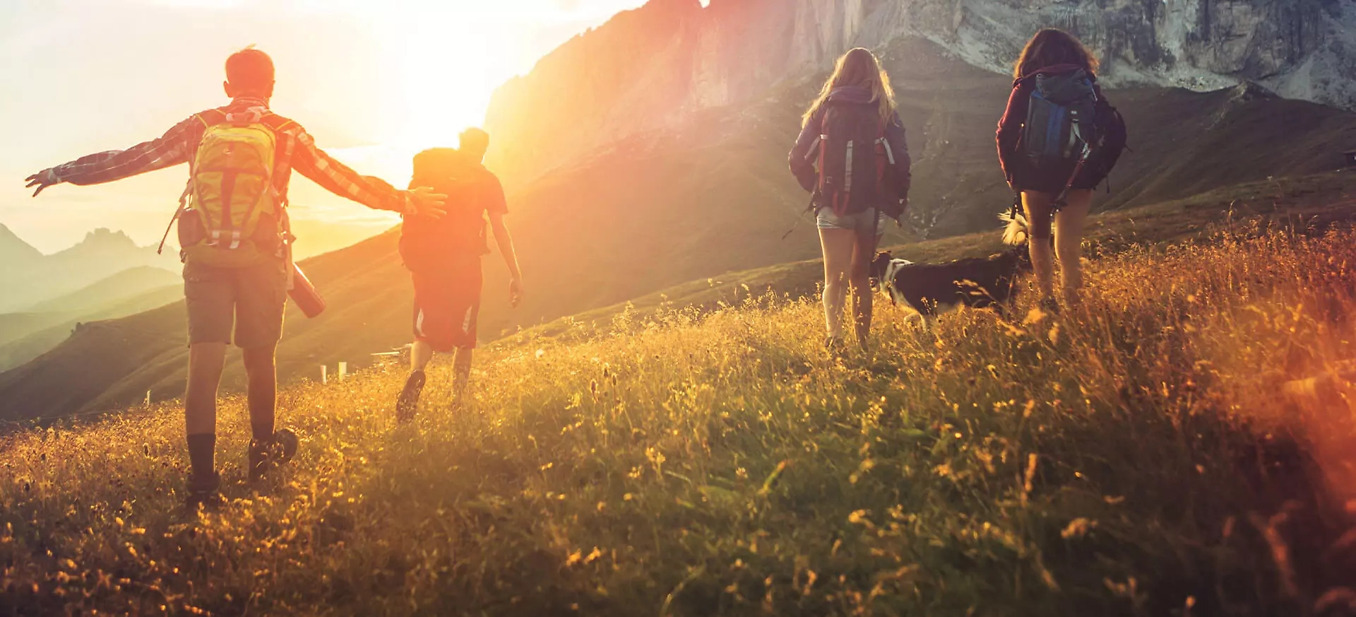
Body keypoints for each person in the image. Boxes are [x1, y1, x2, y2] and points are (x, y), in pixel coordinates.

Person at [23, 48, 447, 506]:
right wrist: (404, 200)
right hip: (262, 259)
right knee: (259, 360)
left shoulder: (200, 126)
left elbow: (131, 159)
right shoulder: (285, 132)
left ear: (227, 87)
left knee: (203, 368)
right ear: (272, 86)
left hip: (205, 258)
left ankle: (202, 485)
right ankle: (262, 455)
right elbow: (342, 180)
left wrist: (63, 172)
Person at [394, 128, 523, 423]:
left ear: (460, 144)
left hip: (426, 263)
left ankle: (416, 374)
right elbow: (500, 230)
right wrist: (515, 273)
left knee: (423, 332)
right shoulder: (487, 180)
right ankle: (458, 401)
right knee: (465, 337)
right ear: (484, 149)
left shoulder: (434, 170)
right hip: (465, 267)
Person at [788, 47, 911, 350]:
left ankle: (835, 340)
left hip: (832, 206)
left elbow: (796, 159)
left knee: (835, 279)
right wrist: (894, 198)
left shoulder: (824, 109)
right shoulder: (885, 111)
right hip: (872, 209)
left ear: (840, 72)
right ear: (874, 74)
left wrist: (816, 190)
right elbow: (902, 163)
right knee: (860, 277)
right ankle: (864, 344)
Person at [996, 29, 1123, 307]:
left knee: (1038, 236)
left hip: (1034, 174)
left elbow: (1005, 132)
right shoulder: (1086, 84)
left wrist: (1012, 175)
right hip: (1078, 175)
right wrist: (1096, 170)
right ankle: (1073, 306)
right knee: (1068, 248)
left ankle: (1047, 299)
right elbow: (1111, 128)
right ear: (1076, 54)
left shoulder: (1027, 85)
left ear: (1032, 56)